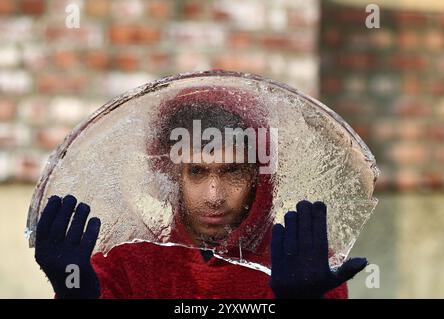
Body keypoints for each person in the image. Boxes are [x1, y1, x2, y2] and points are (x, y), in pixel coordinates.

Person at [34, 86, 367, 299]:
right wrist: (74, 292)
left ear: (259, 177)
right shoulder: (125, 266)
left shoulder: (300, 265)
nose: (213, 195)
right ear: (173, 173)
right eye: (197, 171)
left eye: (232, 172)